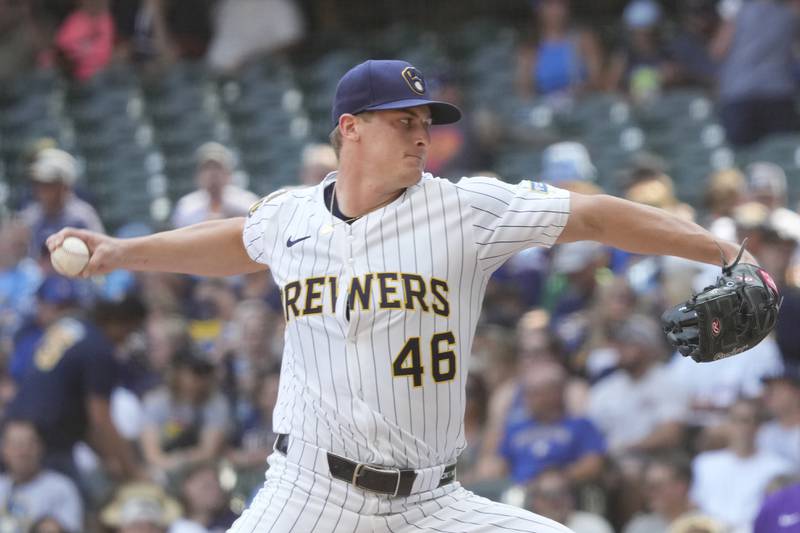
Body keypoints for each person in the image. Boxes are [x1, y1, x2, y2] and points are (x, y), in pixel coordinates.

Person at [49, 59, 764, 532]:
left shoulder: (466, 208)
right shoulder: (291, 216)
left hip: (433, 500)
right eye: (404, 120)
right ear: (350, 130)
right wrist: (121, 252)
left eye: (426, 121)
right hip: (310, 493)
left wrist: (725, 250)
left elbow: (597, 214)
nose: (423, 135)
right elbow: (240, 239)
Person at [5, 295, 145, 483]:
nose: (127, 337)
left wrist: (107, 457)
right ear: (122, 322)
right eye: (131, 329)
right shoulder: (99, 350)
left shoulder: (70, 324)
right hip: (43, 444)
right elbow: (100, 421)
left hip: (12, 430)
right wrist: (132, 470)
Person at [18, 148, 104, 260]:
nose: (42, 190)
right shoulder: (29, 218)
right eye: (38, 183)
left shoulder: (83, 217)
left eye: (49, 184)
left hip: (76, 275)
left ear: (64, 186)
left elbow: (98, 256)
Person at [0, 420, 83, 532]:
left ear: (40, 447)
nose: (23, 452)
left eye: (30, 444)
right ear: (4, 450)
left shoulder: (60, 488)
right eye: (17, 445)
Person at [171, 143, 259, 229]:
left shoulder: (247, 202)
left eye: (218, 167)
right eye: (207, 168)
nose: (213, 173)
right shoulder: (186, 207)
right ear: (198, 175)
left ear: (229, 173)